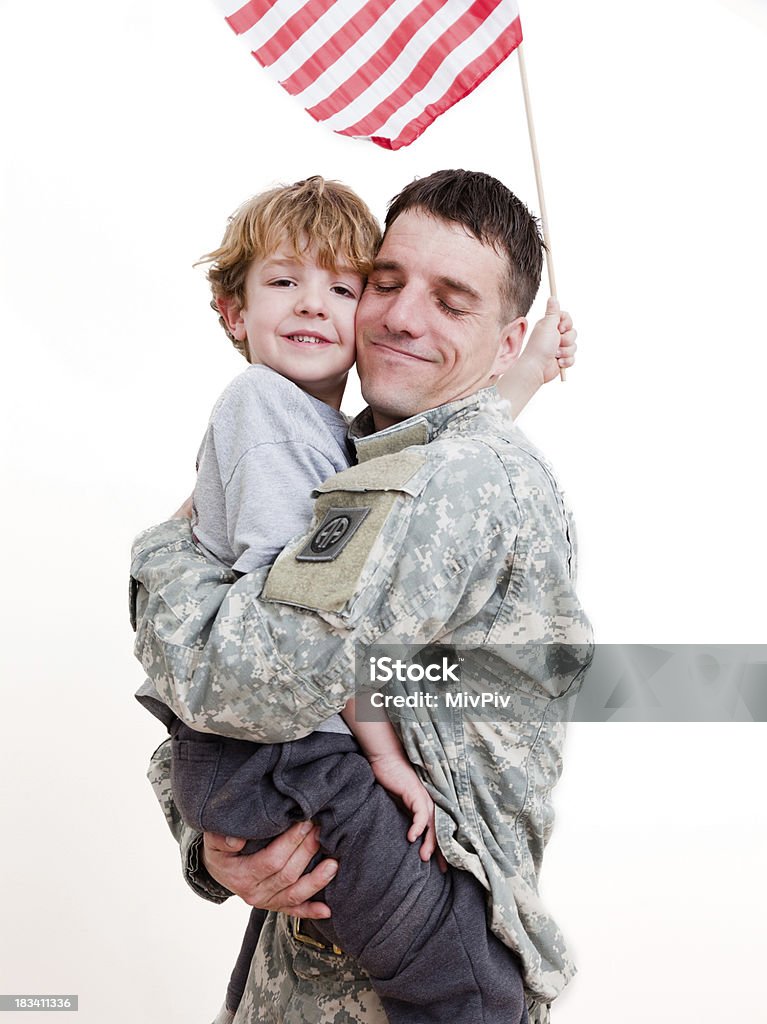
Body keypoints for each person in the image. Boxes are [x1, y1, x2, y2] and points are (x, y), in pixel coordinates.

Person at [131, 169, 592, 1024]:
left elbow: (246, 683)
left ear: (503, 338)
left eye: (451, 302)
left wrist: (162, 550)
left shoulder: (451, 482)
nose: (400, 316)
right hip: (314, 958)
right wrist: (216, 850)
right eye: (384, 283)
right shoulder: (379, 458)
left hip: (387, 987)